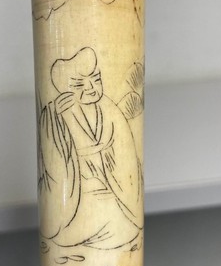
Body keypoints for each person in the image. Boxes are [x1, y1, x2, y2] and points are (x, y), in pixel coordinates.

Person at [38, 47, 143, 250]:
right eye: (79, 84)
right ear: (64, 88)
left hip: (110, 187)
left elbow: (126, 155)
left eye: (96, 79)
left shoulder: (110, 110)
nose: (91, 88)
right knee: (77, 227)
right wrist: (54, 118)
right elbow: (53, 162)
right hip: (78, 194)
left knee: (122, 226)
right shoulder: (56, 113)